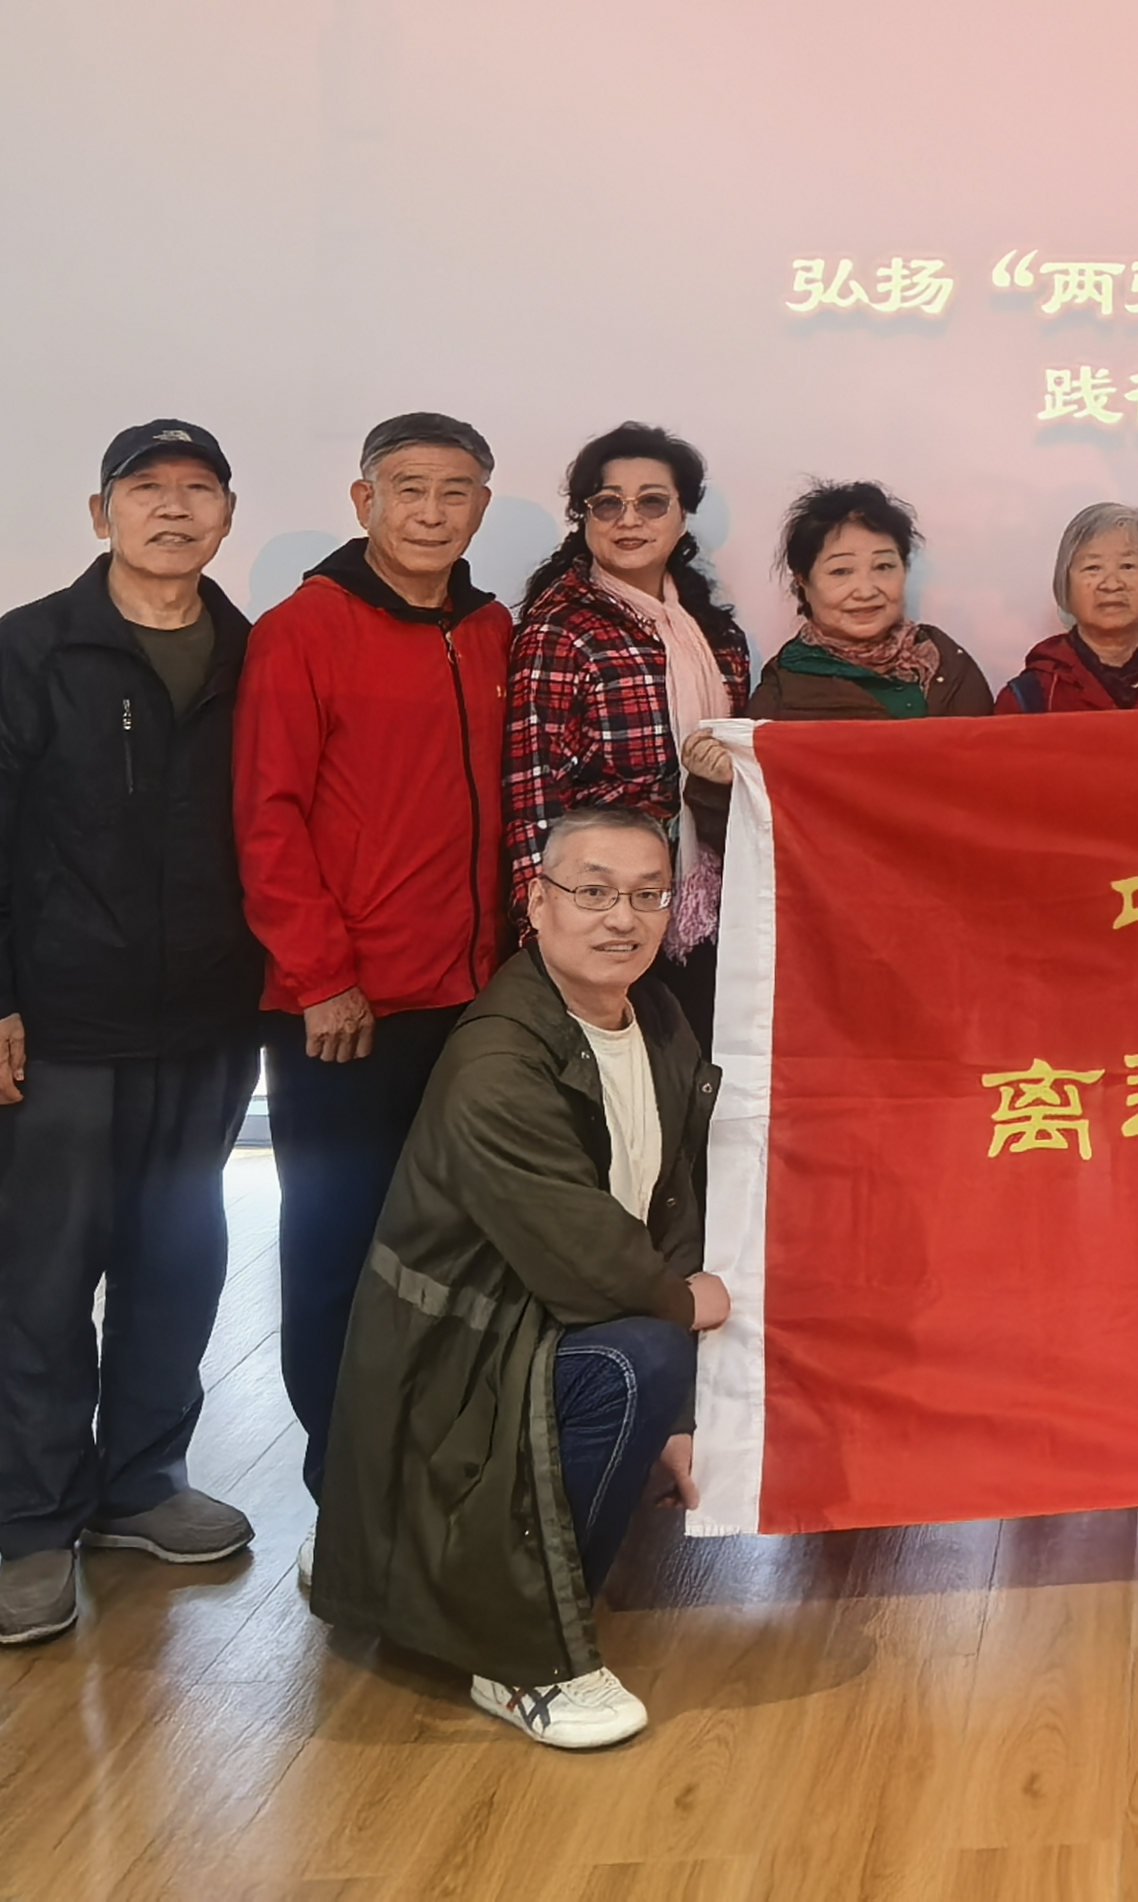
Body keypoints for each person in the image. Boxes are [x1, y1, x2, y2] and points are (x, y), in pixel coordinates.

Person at [0, 419, 269, 1654]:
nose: (173, 510)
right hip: (57, 1024)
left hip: (208, 1023)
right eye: (145, 489)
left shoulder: (254, 654)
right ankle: (35, 1525)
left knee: (180, 1258)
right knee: (47, 1276)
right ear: (100, 513)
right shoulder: (32, 649)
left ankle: (142, 1485)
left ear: (227, 515)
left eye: (198, 490)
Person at [308, 808, 727, 1751]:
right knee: (645, 1353)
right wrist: (687, 1306)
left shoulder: (657, 1017)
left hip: (538, 1322)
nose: (622, 918)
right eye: (593, 892)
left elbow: (675, 1209)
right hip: (460, 1354)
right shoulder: (497, 1057)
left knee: (659, 1356)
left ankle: (461, 1570)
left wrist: (684, 1417)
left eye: (648, 895)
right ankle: (518, 1651)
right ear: (536, 904)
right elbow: (585, 1256)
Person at [236, 410, 514, 1497]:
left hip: (469, 1002)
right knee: (335, 1248)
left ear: (480, 506)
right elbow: (266, 818)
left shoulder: (491, 631)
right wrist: (323, 978)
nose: (432, 513)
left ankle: (435, 1466)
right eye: (409, 490)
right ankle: (340, 1485)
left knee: (451, 1246)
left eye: (456, 492)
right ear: (365, 501)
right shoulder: (302, 628)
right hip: (344, 1010)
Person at [504, 423, 757, 1047]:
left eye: (652, 502)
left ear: (682, 515)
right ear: (584, 517)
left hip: (712, 901)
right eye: (608, 503)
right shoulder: (561, 630)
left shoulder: (717, 638)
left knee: (701, 1068)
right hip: (604, 910)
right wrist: (539, 925)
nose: (629, 519)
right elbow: (533, 787)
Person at [748, 481, 1000, 720]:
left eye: (883, 566)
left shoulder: (949, 663)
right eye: (841, 571)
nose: (866, 591)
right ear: (803, 580)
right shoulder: (781, 694)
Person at [997, 501, 1138, 712]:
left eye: (1127, 566)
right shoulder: (1029, 700)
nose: (1112, 584)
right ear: (1065, 583)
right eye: (1093, 567)